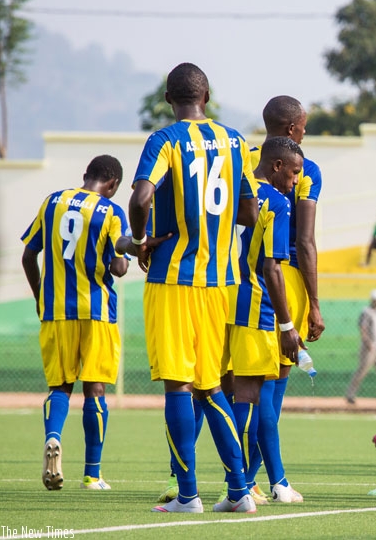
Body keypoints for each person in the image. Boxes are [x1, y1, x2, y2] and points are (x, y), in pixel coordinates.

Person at [128, 62, 259, 514]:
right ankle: (240, 490)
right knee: (212, 388)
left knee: (179, 387)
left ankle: (188, 495)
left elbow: (141, 197)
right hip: (222, 281)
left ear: (169, 99)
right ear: (208, 97)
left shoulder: (165, 140)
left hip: (174, 279)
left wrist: (141, 240)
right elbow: (250, 212)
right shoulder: (237, 141)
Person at [21, 155, 131, 491]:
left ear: (86, 175)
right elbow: (120, 268)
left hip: (55, 310)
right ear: (112, 185)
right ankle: (92, 474)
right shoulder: (111, 212)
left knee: (59, 387)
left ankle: (53, 437)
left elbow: (29, 255)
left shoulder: (52, 202)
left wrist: (41, 296)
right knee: (94, 389)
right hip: (96, 312)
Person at [237, 95, 325, 503]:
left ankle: (240, 479)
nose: (305, 133)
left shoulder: (242, 161)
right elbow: (304, 242)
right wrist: (314, 304)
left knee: (224, 385)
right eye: (303, 127)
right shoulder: (301, 169)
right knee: (268, 388)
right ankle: (258, 479)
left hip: (230, 278)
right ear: (292, 130)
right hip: (279, 278)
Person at [220, 137, 303, 504]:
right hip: (255, 307)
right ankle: (239, 487)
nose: (296, 181)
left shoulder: (228, 189)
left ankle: (271, 481)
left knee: (213, 391)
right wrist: (287, 326)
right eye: (294, 172)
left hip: (216, 300)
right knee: (252, 395)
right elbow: (272, 267)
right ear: (277, 166)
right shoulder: (277, 202)